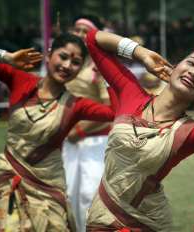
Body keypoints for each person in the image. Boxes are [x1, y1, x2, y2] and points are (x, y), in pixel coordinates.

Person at [83, 29, 194, 231]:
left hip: (144, 222)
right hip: (101, 217)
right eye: (190, 63)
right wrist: (142, 54)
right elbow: (92, 39)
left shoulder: (190, 133)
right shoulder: (130, 93)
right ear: (174, 68)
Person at [0, 33, 115, 231]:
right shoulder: (20, 81)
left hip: (49, 189)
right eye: (63, 56)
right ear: (49, 55)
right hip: (11, 183)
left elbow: (115, 112)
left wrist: (106, 73)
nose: (67, 65)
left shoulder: (74, 105)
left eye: (76, 62)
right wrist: (7, 57)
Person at [62, 16, 111, 232]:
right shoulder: (66, 63)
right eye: (77, 29)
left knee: (91, 195)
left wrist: (81, 130)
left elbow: (111, 109)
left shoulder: (100, 66)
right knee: (68, 194)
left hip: (95, 141)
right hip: (67, 140)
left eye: (85, 30)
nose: (80, 34)